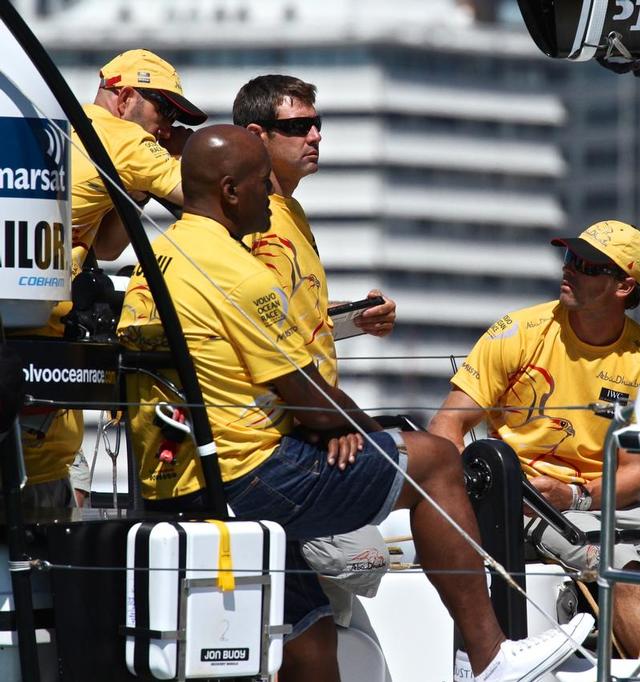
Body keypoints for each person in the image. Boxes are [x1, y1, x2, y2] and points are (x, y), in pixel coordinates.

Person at [117, 125, 591, 682]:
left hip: (176, 482)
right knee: (436, 459)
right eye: (261, 184)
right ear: (230, 191)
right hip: (250, 477)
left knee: (312, 644)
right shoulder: (239, 272)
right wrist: (362, 430)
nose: (273, 196)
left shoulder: (159, 257)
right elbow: (313, 404)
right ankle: (488, 660)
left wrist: (334, 421)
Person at [429, 221, 640, 664]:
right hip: (524, 502)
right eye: (570, 258)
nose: (569, 270)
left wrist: (575, 497)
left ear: (624, 286)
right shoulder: (517, 332)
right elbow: (445, 427)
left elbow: (634, 475)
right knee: (624, 571)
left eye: (587, 265)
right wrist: (489, 497)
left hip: (598, 502)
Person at [232, 74, 395, 636]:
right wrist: (328, 424)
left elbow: (292, 323)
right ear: (257, 136)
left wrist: (349, 322)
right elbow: (257, 339)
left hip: (310, 419)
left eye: (318, 124)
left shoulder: (290, 214)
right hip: (285, 436)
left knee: (318, 623)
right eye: (298, 127)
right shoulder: (255, 224)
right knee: (425, 477)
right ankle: (484, 656)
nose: (315, 136)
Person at [13, 49, 207, 510]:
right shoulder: (122, 139)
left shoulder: (59, 129)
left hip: (31, 334)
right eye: (164, 108)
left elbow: (107, 248)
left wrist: (137, 187)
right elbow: (206, 194)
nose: (168, 126)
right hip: (36, 342)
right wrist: (187, 154)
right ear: (123, 96)